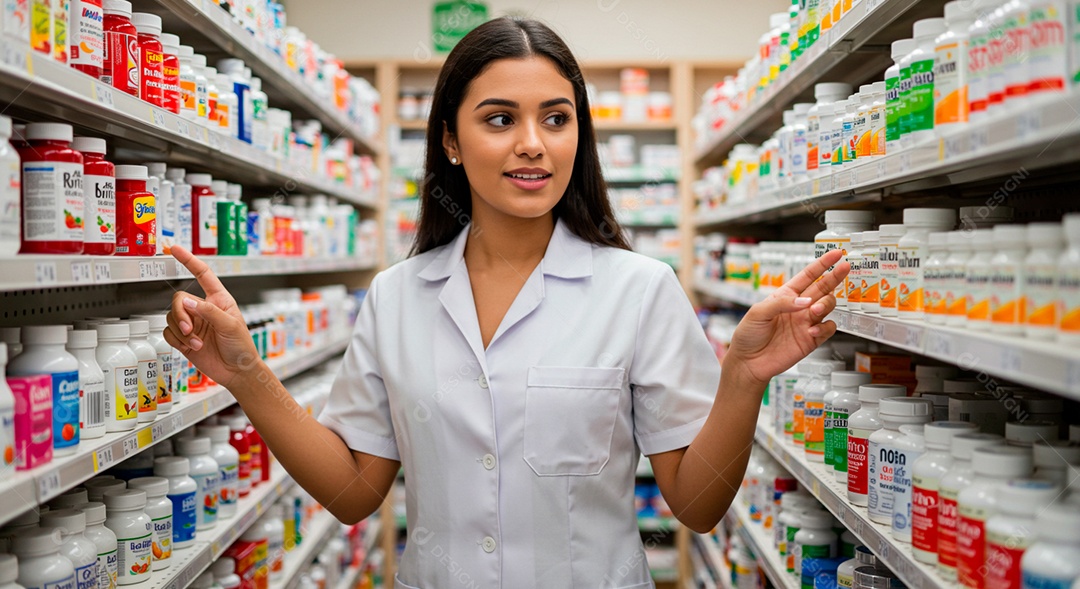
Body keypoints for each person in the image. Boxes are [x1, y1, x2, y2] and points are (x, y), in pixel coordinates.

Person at [165, 17, 847, 589]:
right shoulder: (398, 297)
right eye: (500, 119)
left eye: (557, 117)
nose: (533, 143)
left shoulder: (638, 289)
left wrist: (743, 380)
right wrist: (247, 376)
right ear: (452, 142)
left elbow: (696, 508)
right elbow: (351, 494)